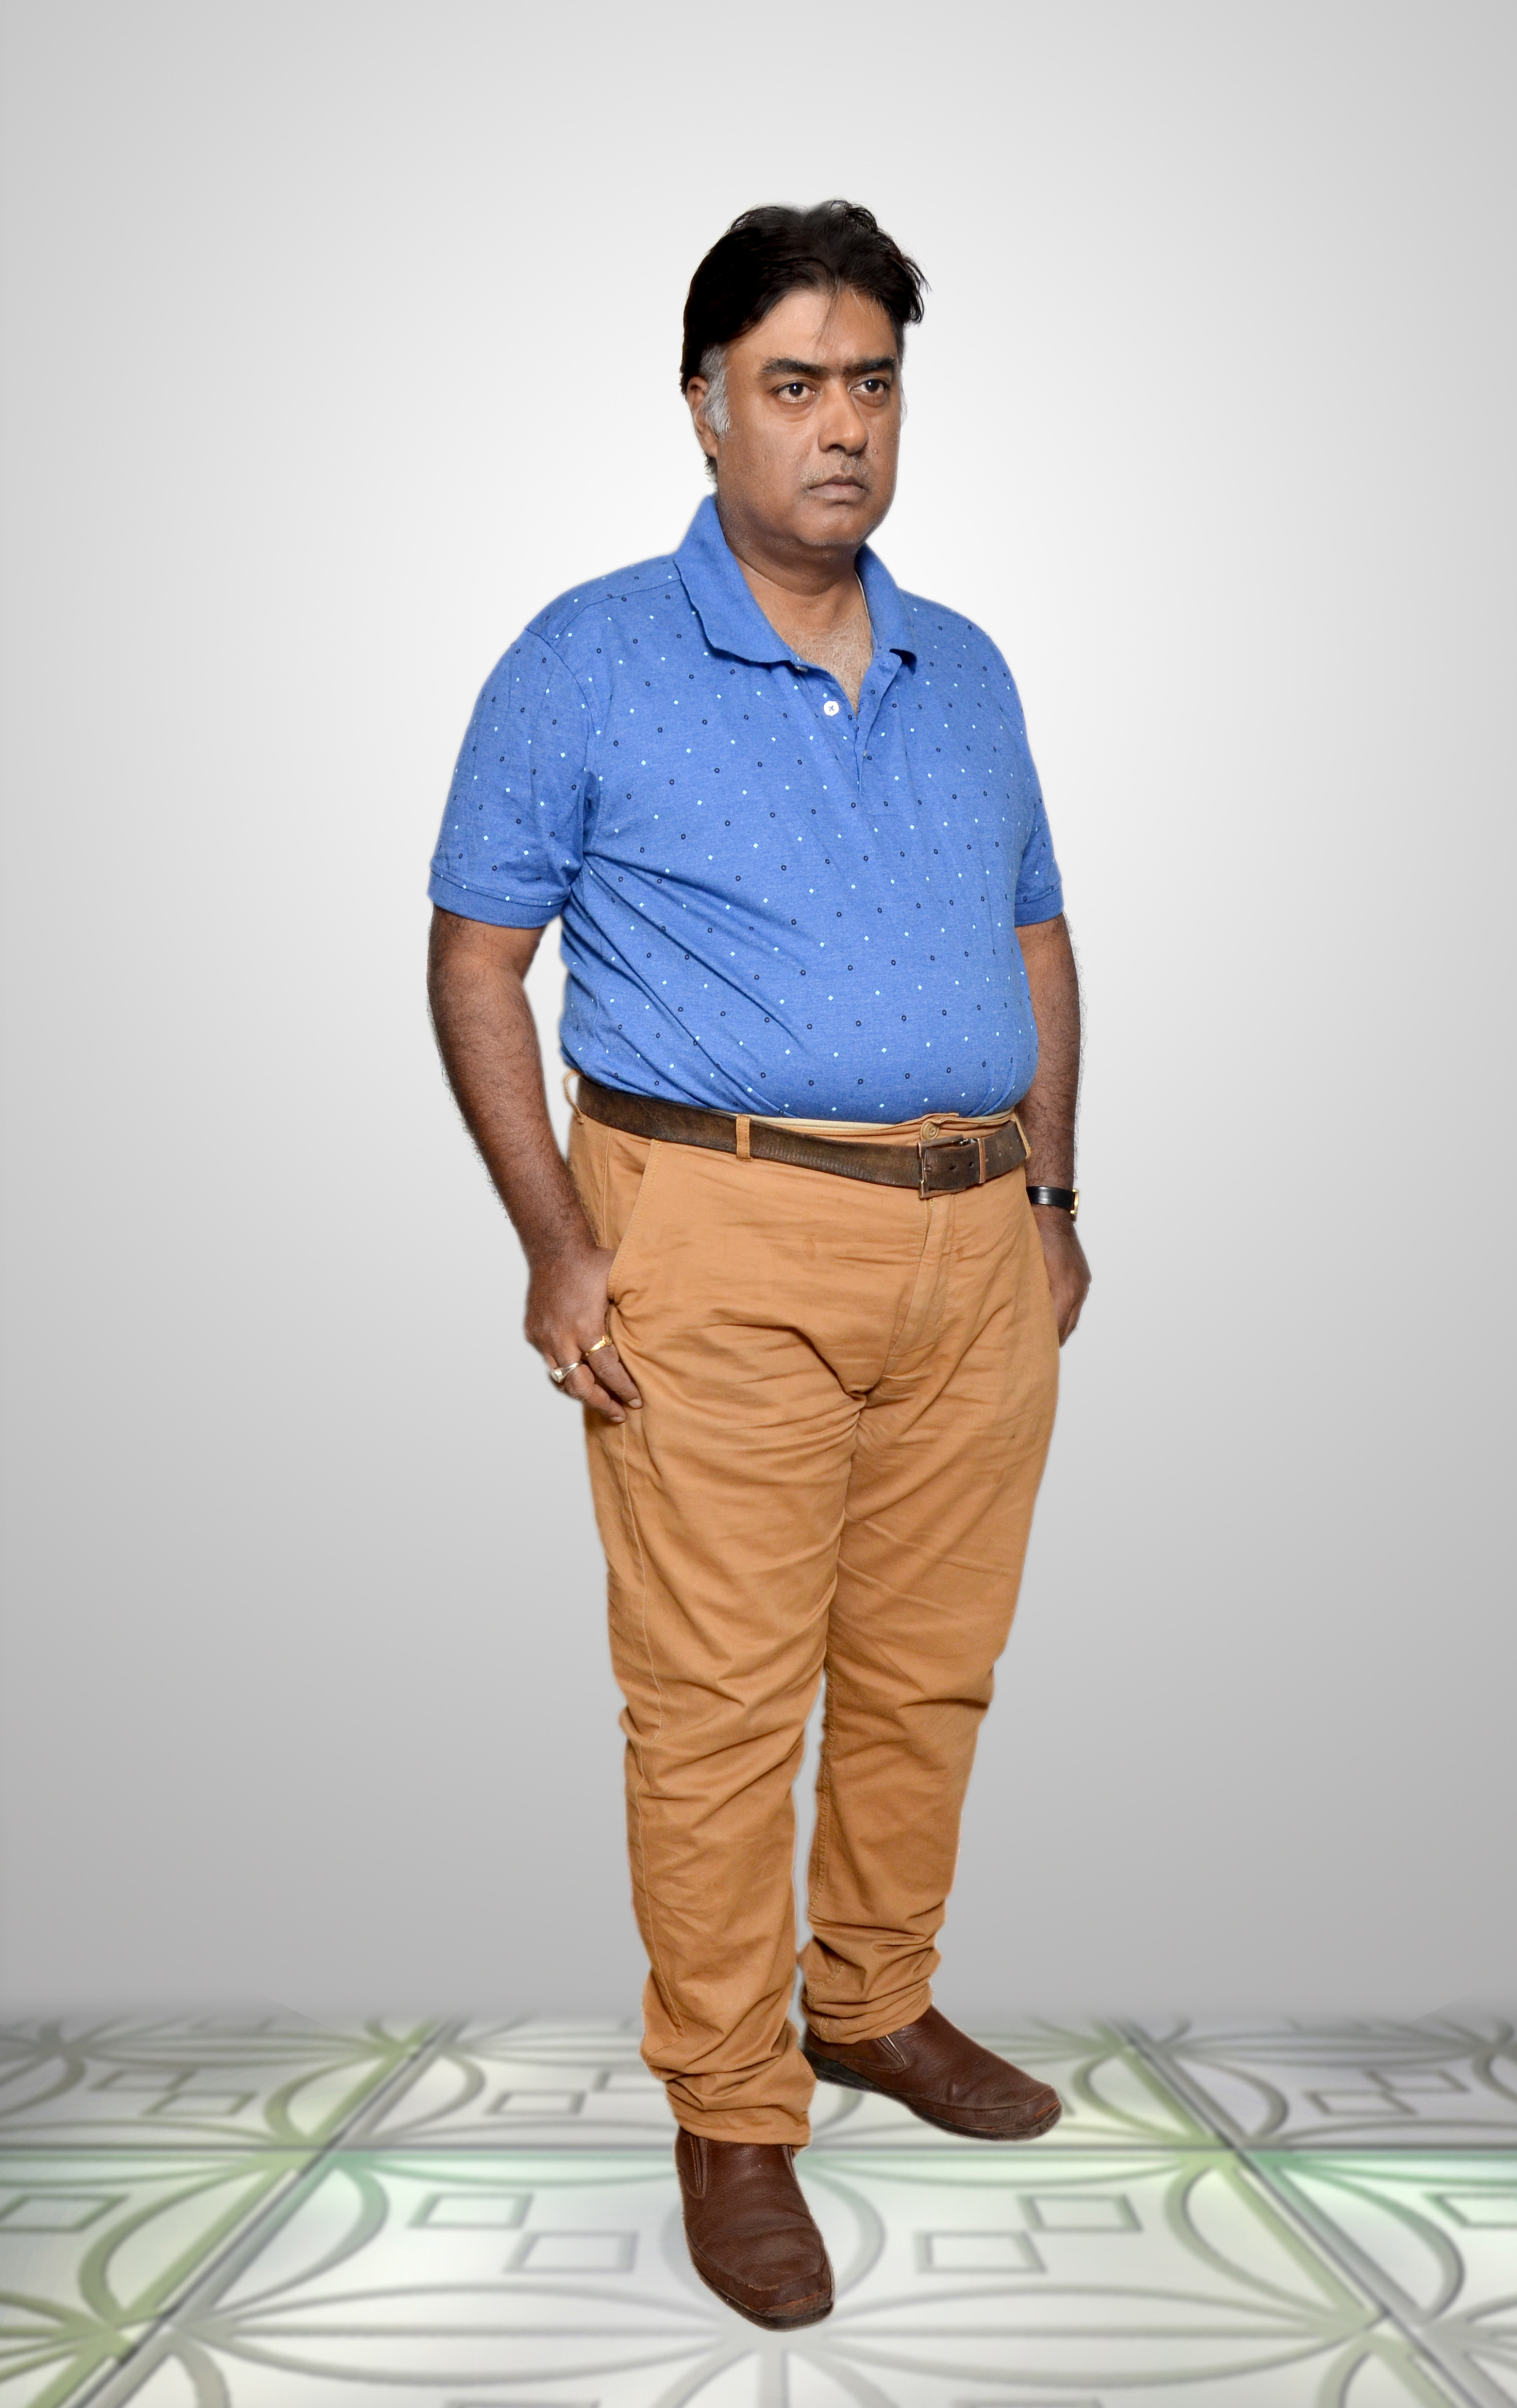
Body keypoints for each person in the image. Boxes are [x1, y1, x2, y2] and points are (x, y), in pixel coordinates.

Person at [426, 201, 1090, 2332]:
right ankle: (729, 2112)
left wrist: (1050, 1203)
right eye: (792, 384)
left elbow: (1035, 939)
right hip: (711, 1232)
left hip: (972, 1247)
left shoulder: (964, 664)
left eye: (871, 382)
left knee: (925, 1668)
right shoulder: (588, 655)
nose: (840, 426)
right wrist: (555, 1244)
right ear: (705, 407)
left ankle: (869, 2000)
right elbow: (476, 959)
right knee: (718, 1705)